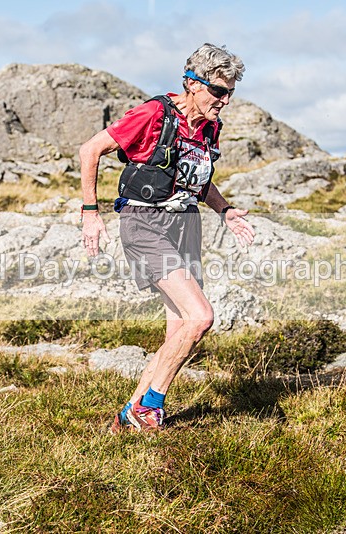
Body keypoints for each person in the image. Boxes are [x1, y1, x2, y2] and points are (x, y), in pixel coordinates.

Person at [79, 43, 255, 432]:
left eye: (230, 93)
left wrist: (224, 210)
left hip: (186, 225)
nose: (225, 101)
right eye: (219, 91)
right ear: (192, 83)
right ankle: (151, 406)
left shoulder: (210, 127)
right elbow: (90, 150)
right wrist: (90, 214)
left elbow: (199, 181)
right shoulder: (154, 114)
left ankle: (129, 415)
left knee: (179, 331)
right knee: (201, 317)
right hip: (144, 223)